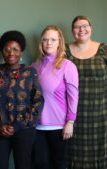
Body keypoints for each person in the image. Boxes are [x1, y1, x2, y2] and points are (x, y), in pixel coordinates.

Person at [0, 30, 44, 169]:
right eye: (7, 49)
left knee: (23, 165)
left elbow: (38, 101)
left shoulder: (30, 72)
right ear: (2, 51)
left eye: (15, 49)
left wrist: (18, 126)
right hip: (0, 130)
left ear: (21, 53)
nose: (11, 53)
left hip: (24, 130)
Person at [31, 25, 79, 169]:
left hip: (59, 126)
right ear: (41, 43)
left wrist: (70, 122)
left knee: (58, 164)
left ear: (59, 42)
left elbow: (73, 96)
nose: (49, 43)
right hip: (37, 125)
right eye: (45, 40)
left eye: (53, 39)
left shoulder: (67, 66)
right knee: (40, 163)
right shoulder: (34, 66)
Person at [65, 15, 107, 169]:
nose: (81, 29)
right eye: (77, 26)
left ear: (91, 28)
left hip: (100, 115)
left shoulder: (104, 49)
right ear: (72, 31)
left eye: (85, 25)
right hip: (71, 115)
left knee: (99, 153)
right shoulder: (64, 51)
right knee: (71, 154)